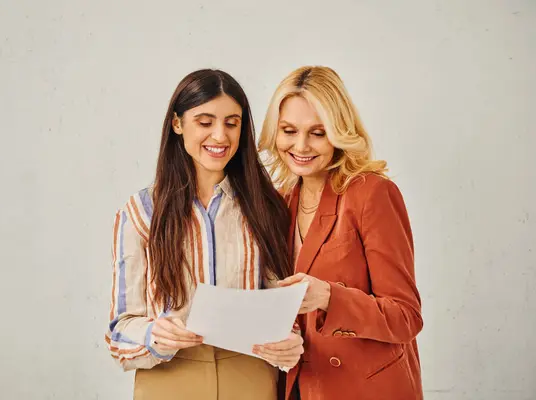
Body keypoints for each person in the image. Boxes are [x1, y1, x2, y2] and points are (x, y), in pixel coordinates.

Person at [105, 69, 303, 400]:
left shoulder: (267, 206)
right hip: (169, 378)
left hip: (251, 376)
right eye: (205, 121)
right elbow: (120, 331)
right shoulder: (140, 212)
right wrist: (155, 334)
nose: (220, 136)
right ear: (178, 124)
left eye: (231, 123)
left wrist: (290, 341)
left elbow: (282, 301)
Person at [258, 66, 424, 400]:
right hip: (300, 388)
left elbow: (405, 317)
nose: (300, 145)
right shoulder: (280, 201)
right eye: (289, 130)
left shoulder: (371, 193)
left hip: (365, 389)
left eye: (317, 133)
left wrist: (330, 298)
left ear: (339, 132)